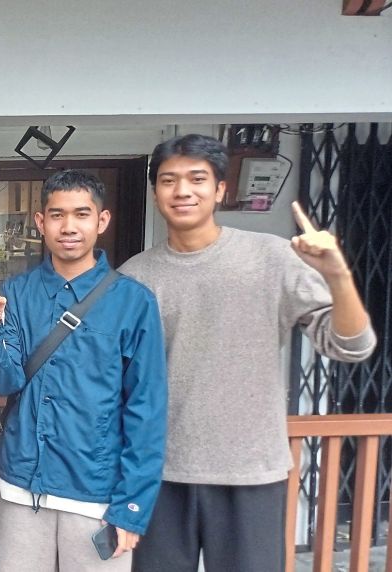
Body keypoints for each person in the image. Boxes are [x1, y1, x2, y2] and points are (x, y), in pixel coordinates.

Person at [120, 134, 377, 572]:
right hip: (157, 473)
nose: (182, 191)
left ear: (220, 189)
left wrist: (337, 275)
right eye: (168, 180)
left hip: (250, 471)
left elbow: (352, 346)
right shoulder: (134, 277)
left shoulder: (271, 258)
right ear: (156, 192)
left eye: (197, 179)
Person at [0, 169, 167, 572]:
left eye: (82, 214)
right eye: (57, 215)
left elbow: (146, 410)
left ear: (102, 220)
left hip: (97, 492)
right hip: (21, 486)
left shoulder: (133, 301)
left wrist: (132, 505)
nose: (69, 227)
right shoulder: (17, 293)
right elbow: (4, 381)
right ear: (40, 222)